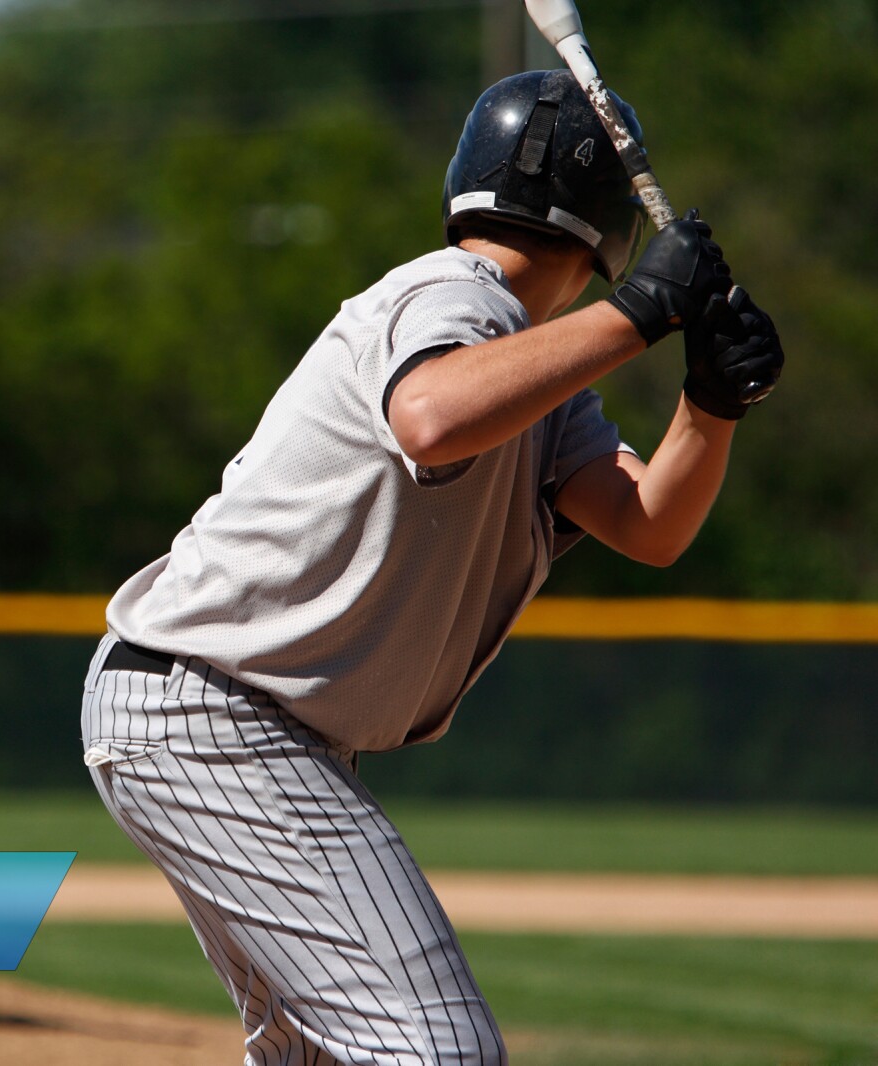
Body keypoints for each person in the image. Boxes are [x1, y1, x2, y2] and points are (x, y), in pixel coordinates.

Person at [80, 69, 783, 1065]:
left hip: (219, 715)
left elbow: (648, 523)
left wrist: (709, 408)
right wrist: (640, 313)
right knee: (436, 1048)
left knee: (321, 1052)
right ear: (606, 225)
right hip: (215, 712)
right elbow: (433, 416)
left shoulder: (528, 360)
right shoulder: (452, 294)